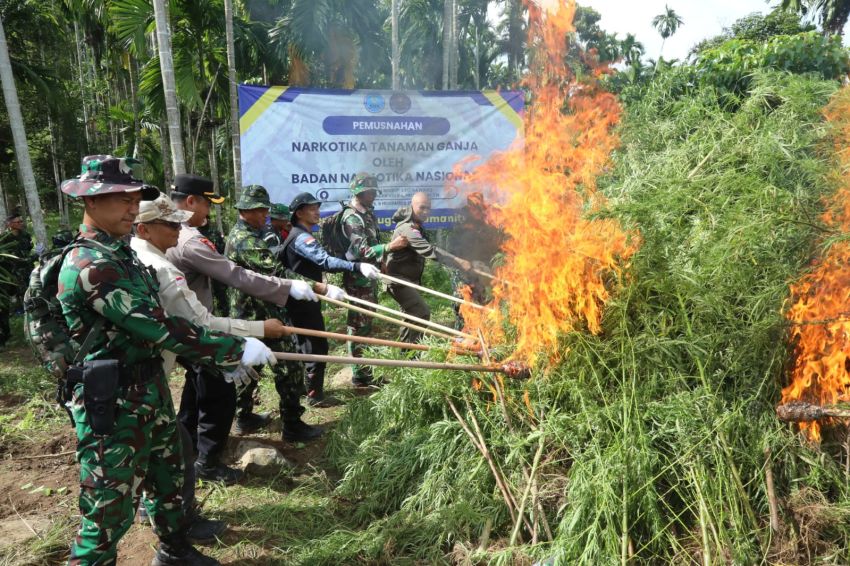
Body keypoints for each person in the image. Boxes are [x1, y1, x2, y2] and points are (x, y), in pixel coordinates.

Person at [57, 155, 276, 566]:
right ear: (90, 202)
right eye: (120, 198)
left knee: (170, 477)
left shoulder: (122, 255)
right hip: (113, 403)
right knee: (108, 512)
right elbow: (160, 326)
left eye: (134, 197)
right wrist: (234, 349)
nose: (130, 206)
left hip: (148, 389)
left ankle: (174, 552)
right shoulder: (92, 264)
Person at [132, 195, 290, 488]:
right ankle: (181, 485)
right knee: (163, 436)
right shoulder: (162, 267)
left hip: (151, 361)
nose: (177, 231)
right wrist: (257, 331)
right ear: (143, 229)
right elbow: (201, 322)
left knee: (178, 416)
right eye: (169, 225)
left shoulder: (134, 254)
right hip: (155, 365)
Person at [165, 175, 319, 446]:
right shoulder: (194, 241)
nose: (264, 215)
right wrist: (301, 286)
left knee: (230, 377)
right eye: (259, 209)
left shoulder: (191, 237)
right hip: (237, 316)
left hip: (215, 320)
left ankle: (207, 442)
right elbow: (239, 276)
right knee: (234, 382)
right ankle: (209, 453)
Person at [225, 185, 342, 441]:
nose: (264, 215)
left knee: (255, 366)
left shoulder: (252, 233)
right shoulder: (244, 239)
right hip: (254, 314)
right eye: (260, 211)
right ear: (246, 211)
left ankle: (250, 418)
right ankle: (289, 424)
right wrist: (318, 286)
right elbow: (275, 271)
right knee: (286, 366)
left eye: (265, 210)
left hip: (262, 312)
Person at [281, 192, 382, 406]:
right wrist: (357, 266)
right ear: (299, 213)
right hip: (302, 299)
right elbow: (324, 261)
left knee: (303, 344)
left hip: (300, 296)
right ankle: (314, 396)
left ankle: (304, 390)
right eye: (311, 208)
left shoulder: (299, 233)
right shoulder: (301, 237)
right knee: (315, 346)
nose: (317, 211)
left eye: (318, 207)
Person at [339, 173, 407, 385]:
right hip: (357, 280)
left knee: (367, 322)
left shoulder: (367, 213)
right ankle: (360, 375)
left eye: (374, 192)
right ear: (359, 193)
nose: (373, 196)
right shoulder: (352, 218)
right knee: (359, 324)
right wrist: (389, 247)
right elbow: (361, 250)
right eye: (370, 192)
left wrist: (382, 261)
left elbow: (372, 241)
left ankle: (365, 371)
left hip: (369, 277)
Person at [386, 192, 473, 343]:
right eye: (422, 208)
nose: (426, 212)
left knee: (410, 316)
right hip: (398, 281)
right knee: (421, 313)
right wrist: (458, 261)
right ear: (412, 206)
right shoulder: (407, 228)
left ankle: (407, 355)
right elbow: (429, 250)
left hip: (408, 279)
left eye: (428, 208)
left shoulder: (417, 226)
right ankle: (413, 353)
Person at [446, 192, 505, 326]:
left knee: (483, 304)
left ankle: (482, 333)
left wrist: (490, 266)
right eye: (474, 207)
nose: (477, 211)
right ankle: (462, 332)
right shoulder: (461, 226)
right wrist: (469, 262)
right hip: (464, 271)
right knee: (463, 302)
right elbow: (455, 249)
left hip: (483, 271)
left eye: (479, 207)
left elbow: (495, 248)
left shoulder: (488, 224)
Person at [0, 212, 35, 347]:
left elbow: (28, 248)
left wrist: (34, 255)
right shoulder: (4, 239)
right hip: (13, 274)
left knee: (30, 298)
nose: (21, 224)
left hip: (27, 271)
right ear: (10, 224)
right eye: (18, 222)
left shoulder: (25, 235)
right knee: (18, 300)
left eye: (21, 221)